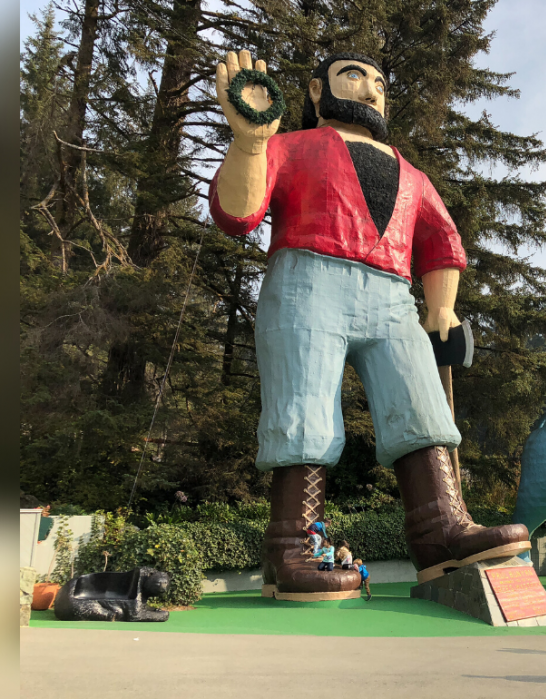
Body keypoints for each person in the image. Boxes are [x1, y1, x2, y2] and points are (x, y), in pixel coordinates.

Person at [210, 50, 528, 595]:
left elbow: (442, 240)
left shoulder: (412, 174)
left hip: (391, 295)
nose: (371, 89)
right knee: (305, 406)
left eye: (379, 80)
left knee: (420, 402)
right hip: (307, 279)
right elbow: (238, 214)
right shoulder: (291, 146)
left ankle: (440, 533)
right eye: (353, 76)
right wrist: (251, 141)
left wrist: (441, 307)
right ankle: (293, 545)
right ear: (317, 91)